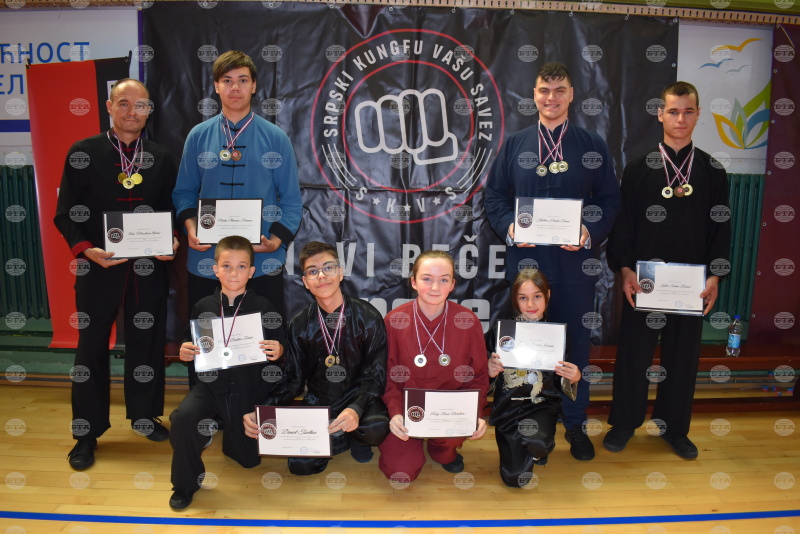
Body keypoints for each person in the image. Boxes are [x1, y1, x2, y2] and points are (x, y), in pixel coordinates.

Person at [484, 62, 620, 461]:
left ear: (572, 95)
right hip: (527, 267)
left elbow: (609, 200)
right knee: (525, 345)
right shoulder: (516, 144)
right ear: (534, 94)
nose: (551, 98)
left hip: (575, 268)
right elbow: (495, 196)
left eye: (560, 90)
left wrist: (587, 232)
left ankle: (574, 423)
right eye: (545, 90)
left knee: (574, 345)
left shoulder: (591, 145)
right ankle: (520, 416)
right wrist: (510, 227)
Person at [54, 78, 178, 470]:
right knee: (91, 349)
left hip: (148, 269)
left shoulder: (161, 156)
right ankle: (86, 433)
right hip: (98, 268)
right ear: (109, 107)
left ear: (149, 111)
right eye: (123, 103)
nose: (131, 112)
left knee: (147, 343)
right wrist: (86, 249)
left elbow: (173, 209)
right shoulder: (83, 152)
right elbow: (66, 212)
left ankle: (144, 416)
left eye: (140, 105)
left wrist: (173, 238)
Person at [604, 81, 731, 460]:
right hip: (646, 282)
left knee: (683, 357)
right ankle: (624, 423)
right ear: (660, 114)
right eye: (673, 111)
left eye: (688, 111)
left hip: (691, 286)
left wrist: (715, 275)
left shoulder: (712, 170)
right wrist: (626, 269)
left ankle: (674, 428)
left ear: (698, 115)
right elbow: (624, 225)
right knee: (634, 354)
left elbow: (721, 228)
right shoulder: (639, 168)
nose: (680, 119)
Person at [172, 50, 302, 384]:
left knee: (263, 346)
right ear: (216, 86)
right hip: (207, 261)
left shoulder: (276, 138)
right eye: (227, 80)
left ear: (254, 86)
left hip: (262, 261)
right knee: (206, 346)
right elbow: (184, 193)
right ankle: (205, 405)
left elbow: (291, 201)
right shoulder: (198, 136)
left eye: (243, 80)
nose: (235, 88)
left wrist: (275, 240)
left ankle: (261, 406)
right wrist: (191, 227)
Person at [243, 241, 390, 475]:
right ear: (305, 282)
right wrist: (263, 411)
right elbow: (292, 380)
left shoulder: (368, 317)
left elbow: (376, 375)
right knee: (300, 466)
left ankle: (356, 437)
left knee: (375, 427)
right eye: (312, 271)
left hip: (358, 397)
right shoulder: (299, 324)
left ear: (340, 272)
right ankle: (341, 437)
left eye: (328, 268)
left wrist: (356, 407)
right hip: (319, 402)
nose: (321, 276)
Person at [168, 236, 285, 510]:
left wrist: (279, 349)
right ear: (215, 270)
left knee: (247, 460)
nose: (234, 273)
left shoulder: (264, 306)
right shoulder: (203, 307)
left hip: (248, 389)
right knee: (184, 418)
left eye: (241, 266)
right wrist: (185, 350)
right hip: (210, 386)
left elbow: (281, 343)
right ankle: (185, 484)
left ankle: (231, 434)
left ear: (251, 272)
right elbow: (190, 342)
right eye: (227, 266)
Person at [379, 250, 489, 482]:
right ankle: (411, 444)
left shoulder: (467, 321)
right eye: (427, 278)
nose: (435, 287)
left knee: (445, 452)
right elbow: (388, 375)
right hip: (407, 411)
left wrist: (476, 414)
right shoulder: (394, 320)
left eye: (444, 280)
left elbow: (478, 375)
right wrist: (395, 413)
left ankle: (441, 447)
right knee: (400, 473)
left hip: (448, 412)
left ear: (453, 285)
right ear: (414, 282)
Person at [487, 269, 580, 488]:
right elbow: (484, 375)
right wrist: (488, 371)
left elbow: (560, 379)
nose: (530, 304)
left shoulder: (557, 336)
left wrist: (573, 377)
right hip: (507, 409)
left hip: (541, 405)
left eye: (537, 296)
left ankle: (537, 445)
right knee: (515, 479)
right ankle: (525, 447)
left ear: (547, 295)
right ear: (515, 300)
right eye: (523, 298)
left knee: (538, 443)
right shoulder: (500, 332)